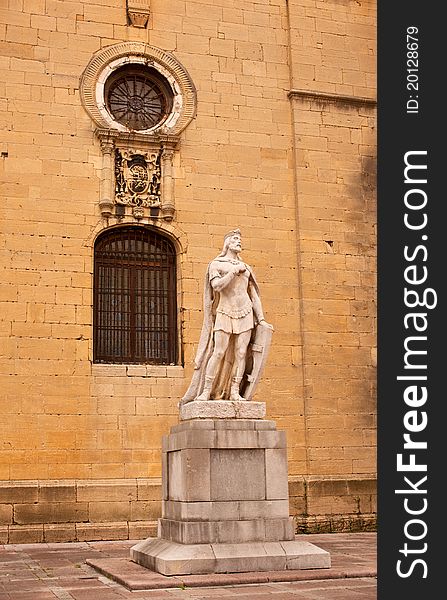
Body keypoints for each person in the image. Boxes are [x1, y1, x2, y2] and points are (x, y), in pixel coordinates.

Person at [181, 229, 273, 404]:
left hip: (245, 311)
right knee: (219, 351)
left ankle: (234, 391)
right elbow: (216, 286)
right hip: (225, 310)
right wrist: (233, 272)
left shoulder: (246, 268)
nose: (239, 242)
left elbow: (254, 295)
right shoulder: (217, 264)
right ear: (227, 243)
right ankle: (206, 391)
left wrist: (261, 319)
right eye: (235, 239)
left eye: (240, 239)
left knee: (241, 353)